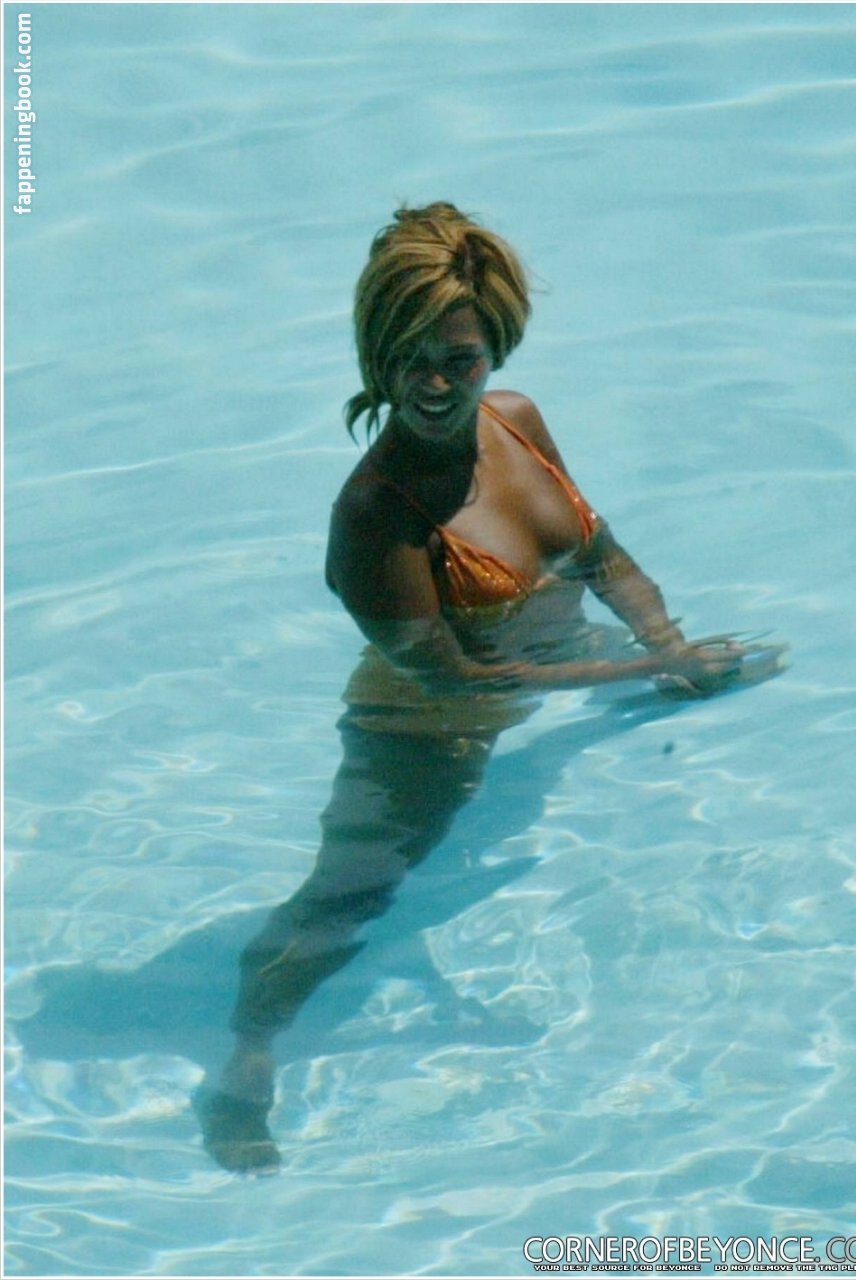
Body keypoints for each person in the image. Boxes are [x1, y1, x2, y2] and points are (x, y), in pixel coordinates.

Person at [196, 202, 762, 1175]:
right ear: (375, 356)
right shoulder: (373, 520)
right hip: (426, 724)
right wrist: (652, 668)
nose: (433, 385)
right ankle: (245, 1060)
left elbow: (601, 553)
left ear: (494, 347)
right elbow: (459, 679)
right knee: (348, 898)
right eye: (407, 359)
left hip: (546, 654)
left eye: (459, 359)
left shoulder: (517, 420)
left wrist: (666, 640)